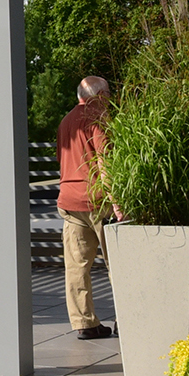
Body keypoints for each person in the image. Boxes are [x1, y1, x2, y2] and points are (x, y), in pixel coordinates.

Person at [58, 76, 114, 340]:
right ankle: (127, 319)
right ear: (100, 96)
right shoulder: (98, 118)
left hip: (70, 201)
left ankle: (84, 323)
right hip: (99, 200)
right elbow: (105, 161)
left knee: (77, 266)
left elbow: (63, 159)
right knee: (117, 264)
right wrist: (118, 203)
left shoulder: (65, 121)